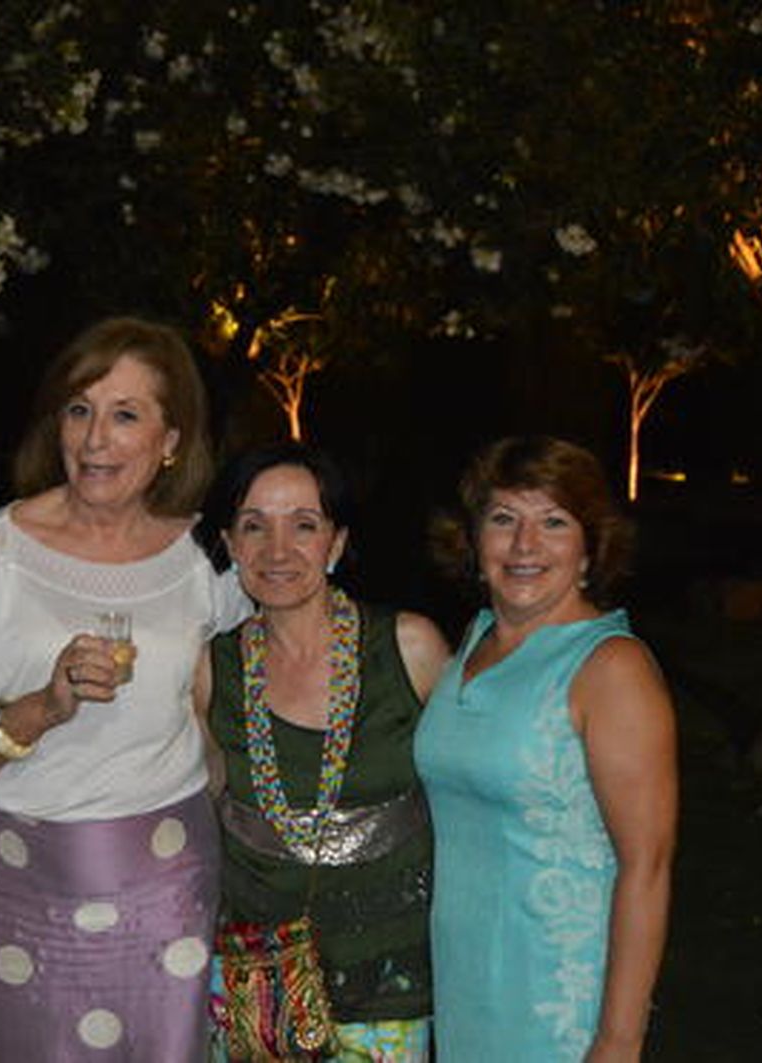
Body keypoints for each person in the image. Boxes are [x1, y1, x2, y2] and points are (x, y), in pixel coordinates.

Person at [0, 316, 245, 1061]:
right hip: (28, 876)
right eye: (79, 409)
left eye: (125, 414)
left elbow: (266, 666)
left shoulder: (203, 557)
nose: (96, 438)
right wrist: (43, 707)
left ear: (170, 440)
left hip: (169, 877)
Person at [414, 436, 678, 1062]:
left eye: (554, 522)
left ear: (590, 548)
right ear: (474, 540)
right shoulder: (475, 641)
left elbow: (647, 866)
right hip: (465, 983)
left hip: (558, 999)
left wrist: (618, 1040)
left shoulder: (611, 667)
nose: (524, 545)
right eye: (504, 518)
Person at [194, 443, 450, 1062]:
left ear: (336, 543)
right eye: (254, 526)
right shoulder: (211, 668)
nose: (277, 550)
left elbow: (470, 798)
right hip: (256, 981)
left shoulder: (409, 647)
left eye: (303, 525)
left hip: (389, 982)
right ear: (229, 544)